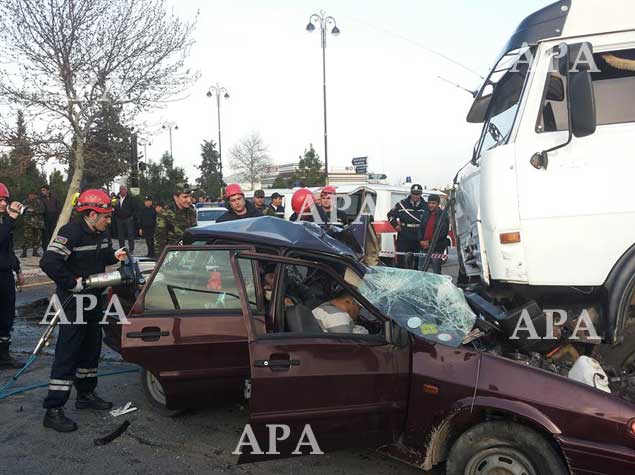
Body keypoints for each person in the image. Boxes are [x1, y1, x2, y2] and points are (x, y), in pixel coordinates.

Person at [40, 189, 127, 432]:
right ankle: (54, 409)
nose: (109, 221)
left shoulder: (101, 232)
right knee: (68, 352)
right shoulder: (71, 233)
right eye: (105, 216)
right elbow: (48, 262)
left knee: (91, 348)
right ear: (90, 214)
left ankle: (85, 394)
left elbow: (103, 255)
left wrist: (115, 255)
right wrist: (71, 283)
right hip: (73, 301)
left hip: (94, 300)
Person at [0, 183, 25, 368]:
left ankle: (4, 355)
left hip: (5, 274)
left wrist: (18, 269)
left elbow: (7, 249)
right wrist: (10, 219)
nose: (3, 203)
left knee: (7, 314)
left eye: (5, 200)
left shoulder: (3, 221)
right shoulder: (5, 222)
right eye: (0, 200)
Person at [387, 184, 429, 269]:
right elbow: (390, 215)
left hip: (418, 236)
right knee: (401, 261)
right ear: (411, 193)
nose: (415, 196)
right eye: (413, 194)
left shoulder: (426, 206)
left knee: (417, 262)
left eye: (417, 194)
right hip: (404, 234)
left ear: (421, 194)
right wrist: (395, 225)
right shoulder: (402, 204)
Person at [154, 185, 197, 256]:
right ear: (176, 198)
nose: (189, 200)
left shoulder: (191, 211)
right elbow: (159, 240)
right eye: (185, 197)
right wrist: (161, 260)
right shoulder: (165, 213)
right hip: (172, 255)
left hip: (189, 254)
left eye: (190, 196)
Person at [418, 194, 450, 275]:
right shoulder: (425, 214)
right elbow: (420, 228)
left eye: (433, 203)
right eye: (429, 203)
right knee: (421, 271)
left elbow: (442, 233)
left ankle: (436, 288)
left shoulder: (443, 215)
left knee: (436, 272)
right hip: (423, 248)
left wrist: (430, 243)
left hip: (436, 248)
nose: (431, 205)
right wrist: (421, 240)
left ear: (438, 203)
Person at [113, 185, 139, 253]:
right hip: (119, 219)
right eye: (121, 189)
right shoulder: (116, 198)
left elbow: (134, 208)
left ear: (126, 190)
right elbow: (114, 207)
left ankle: (131, 249)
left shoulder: (130, 198)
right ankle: (122, 249)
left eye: (123, 189)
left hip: (128, 218)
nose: (122, 191)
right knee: (120, 235)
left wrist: (132, 216)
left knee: (130, 234)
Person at [22, 190, 45, 257]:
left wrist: (33, 210)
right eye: (30, 194)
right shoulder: (25, 201)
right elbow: (23, 210)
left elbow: (42, 210)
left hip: (37, 224)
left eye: (33, 194)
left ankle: (35, 252)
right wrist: (30, 210)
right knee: (27, 238)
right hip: (28, 223)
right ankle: (24, 252)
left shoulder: (39, 202)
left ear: (36, 195)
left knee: (37, 238)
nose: (31, 196)